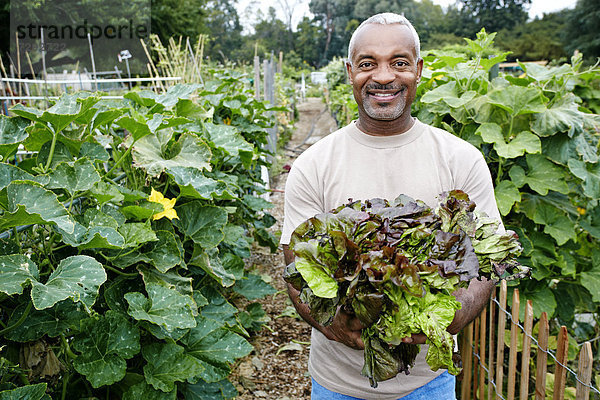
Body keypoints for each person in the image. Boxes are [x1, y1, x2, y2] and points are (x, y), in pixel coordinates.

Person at [281, 12, 502, 400]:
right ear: (350, 72)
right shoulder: (313, 164)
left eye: (399, 63)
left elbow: (485, 266)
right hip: (336, 385)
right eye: (368, 64)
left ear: (418, 70)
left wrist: (445, 317)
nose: (383, 77)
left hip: (428, 384)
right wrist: (341, 328)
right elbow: (295, 268)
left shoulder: (461, 159)